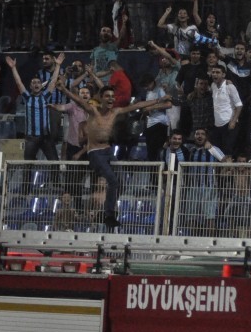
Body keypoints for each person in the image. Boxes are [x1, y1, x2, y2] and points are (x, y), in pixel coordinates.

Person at [57, 85, 170, 229]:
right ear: (101, 98)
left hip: (108, 151)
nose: (111, 99)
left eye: (112, 96)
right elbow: (79, 100)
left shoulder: (115, 111)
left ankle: (106, 209)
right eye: (107, 96)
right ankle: (109, 215)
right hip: (95, 152)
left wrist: (159, 100)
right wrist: (64, 90)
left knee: (122, 181)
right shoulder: (93, 111)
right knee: (112, 180)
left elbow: (137, 105)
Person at [5, 53, 63, 162]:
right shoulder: (27, 97)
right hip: (31, 138)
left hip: (45, 137)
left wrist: (58, 65)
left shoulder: (45, 96)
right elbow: (18, 82)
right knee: (28, 164)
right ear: (30, 86)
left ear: (41, 85)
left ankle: (54, 175)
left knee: (55, 162)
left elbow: (53, 81)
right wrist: (13, 68)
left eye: (38, 82)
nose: (36, 84)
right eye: (34, 83)